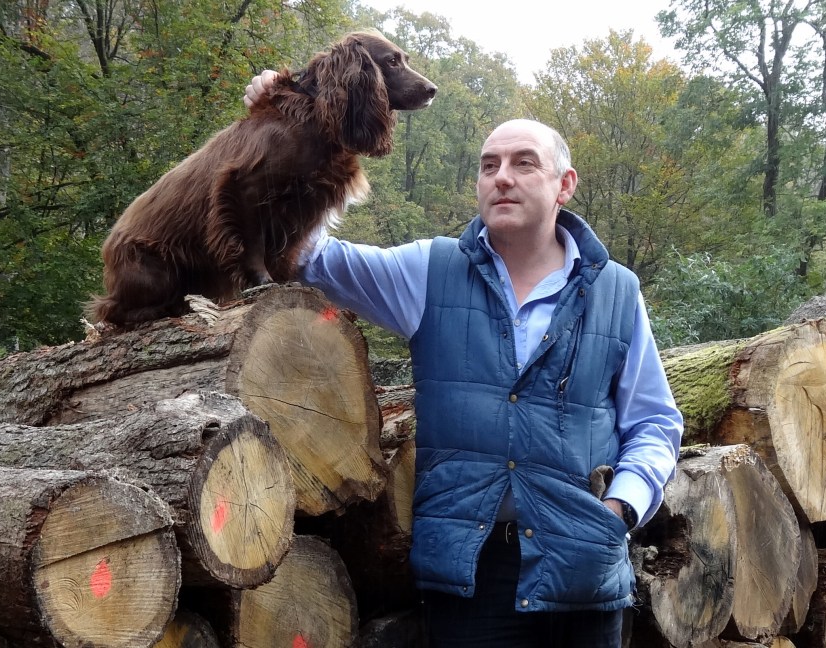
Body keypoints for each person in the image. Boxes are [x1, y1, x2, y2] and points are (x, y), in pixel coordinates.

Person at [245, 73, 684, 648]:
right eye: (488, 165)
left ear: (564, 185)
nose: (502, 177)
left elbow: (654, 421)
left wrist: (622, 507)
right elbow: (307, 254)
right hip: (469, 577)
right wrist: (280, 118)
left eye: (524, 163)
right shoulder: (430, 272)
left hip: (585, 567)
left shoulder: (616, 291)